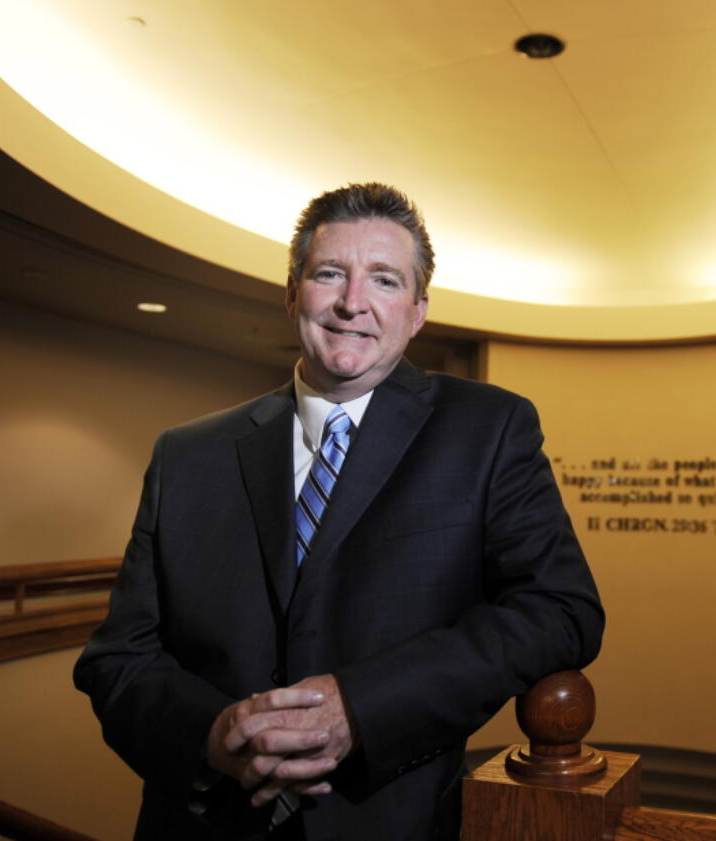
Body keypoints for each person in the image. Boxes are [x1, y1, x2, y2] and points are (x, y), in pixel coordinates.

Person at [74, 183, 604, 841]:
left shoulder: (489, 429)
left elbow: (561, 609)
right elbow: (117, 659)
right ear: (293, 292)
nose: (353, 302)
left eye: (384, 279)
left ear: (417, 311)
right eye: (330, 274)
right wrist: (215, 736)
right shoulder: (186, 454)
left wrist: (361, 708)